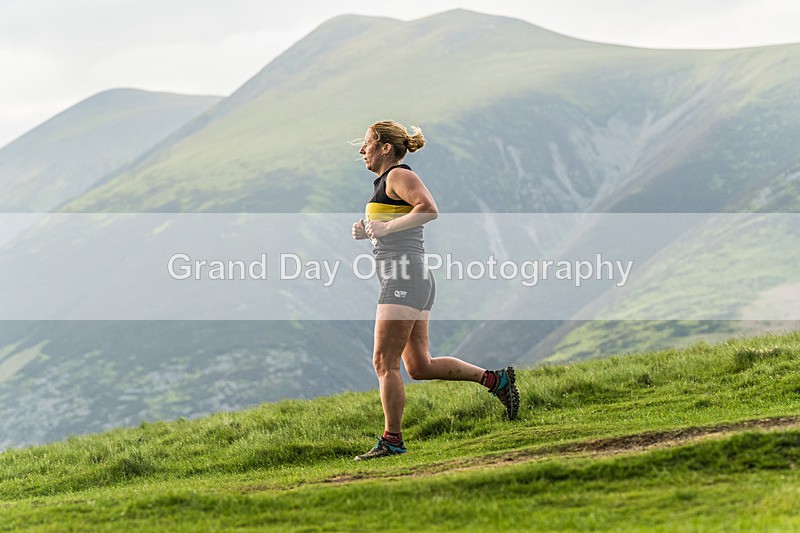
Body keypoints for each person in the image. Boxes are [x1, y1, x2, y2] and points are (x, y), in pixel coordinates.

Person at [351, 120, 519, 461]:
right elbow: (394, 225)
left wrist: (384, 228)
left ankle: (392, 441)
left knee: (384, 362)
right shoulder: (384, 183)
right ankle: (496, 381)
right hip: (412, 278)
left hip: (404, 279)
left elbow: (428, 210)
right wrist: (368, 230)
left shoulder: (399, 175)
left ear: (385, 147)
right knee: (419, 366)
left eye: (367, 143)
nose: (361, 149)